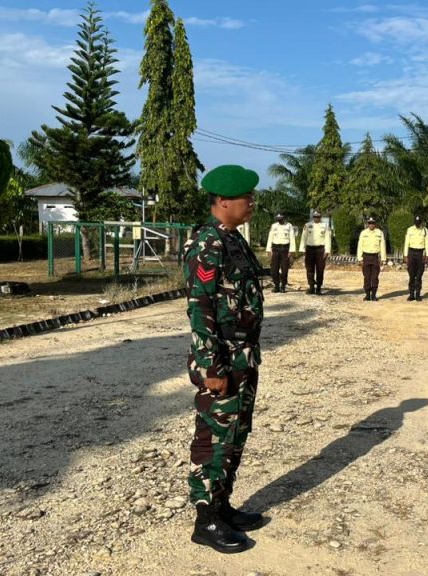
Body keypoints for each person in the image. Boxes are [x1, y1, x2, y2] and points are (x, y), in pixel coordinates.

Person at [183, 165, 267, 554]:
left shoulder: (234, 241)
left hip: (243, 357)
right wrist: (211, 366)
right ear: (222, 202)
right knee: (214, 436)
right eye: (246, 198)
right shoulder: (207, 244)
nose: (252, 203)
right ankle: (206, 518)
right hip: (221, 360)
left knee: (235, 433)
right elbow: (200, 309)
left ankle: (222, 505)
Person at [299, 210, 331, 295]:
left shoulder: (325, 226)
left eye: (318, 216)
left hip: (320, 250)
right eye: (315, 217)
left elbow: (327, 239)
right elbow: (303, 238)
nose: (316, 218)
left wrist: (327, 251)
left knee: (320, 269)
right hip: (309, 249)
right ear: (313, 217)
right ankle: (311, 287)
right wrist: (303, 250)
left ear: (320, 217)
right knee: (309, 269)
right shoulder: (308, 225)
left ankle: (319, 288)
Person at [357, 217, 386, 301]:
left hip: (375, 257)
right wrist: (360, 258)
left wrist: (383, 259)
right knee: (366, 277)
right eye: (369, 223)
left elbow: (382, 246)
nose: (371, 225)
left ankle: (373, 295)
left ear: (375, 224)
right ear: (367, 224)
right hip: (366, 257)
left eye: (372, 223)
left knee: (374, 277)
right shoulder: (363, 233)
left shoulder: (379, 233)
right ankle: (367, 295)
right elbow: (360, 246)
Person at [265, 213, 296, 293]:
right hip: (275, 248)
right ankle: (276, 285)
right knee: (274, 269)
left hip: (285, 249)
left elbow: (292, 238)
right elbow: (270, 237)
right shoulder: (274, 226)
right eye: (278, 218)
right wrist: (268, 250)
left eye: (281, 218)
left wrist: (291, 251)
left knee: (285, 269)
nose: (279, 220)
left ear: (284, 218)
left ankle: (283, 286)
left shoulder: (289, 226)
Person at [403, 215, 428, 301]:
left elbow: (427, 243)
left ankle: (418, 294)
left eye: (419, 222)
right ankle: (411, 294)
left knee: (419, 275)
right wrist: (405, 255)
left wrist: (427, 255)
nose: (417, 224)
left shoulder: (425, 230)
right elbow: (406, 243)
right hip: (411, 252)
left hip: (420, 253)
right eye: (416, 223)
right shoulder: (410, 229)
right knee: (411, 274)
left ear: (421, 222)